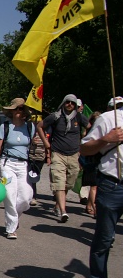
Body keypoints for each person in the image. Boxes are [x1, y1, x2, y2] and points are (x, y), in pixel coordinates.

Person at [79, 96, 123, 278]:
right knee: (104, 239)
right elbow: (85, 149)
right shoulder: (108, 118)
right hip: (113, 185)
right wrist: (106, 139)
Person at [37, 94, 90, 223]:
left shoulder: (79, 117)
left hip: (74, 154)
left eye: (72, 103)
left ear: (75, 105)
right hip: (58, 154)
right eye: (67, 102)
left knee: (70, 182)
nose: (70, 104)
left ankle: (57, 205)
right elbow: (39, 126)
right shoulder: (55, 116)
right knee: (59, 181)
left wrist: (86, 140)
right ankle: (63, 211)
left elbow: (90, 127)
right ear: (63, 103)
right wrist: (46, 143)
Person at [0, 98, 35, 239]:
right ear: (11, 111)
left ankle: (14, 218)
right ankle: (11, 228)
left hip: (23, 165)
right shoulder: (5, 127)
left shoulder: (30, 127)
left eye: (21, 108)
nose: (18, 111)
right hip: (7, 163)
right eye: (16, 108)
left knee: (26, 197)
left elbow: (32, 145)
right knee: (10, 195)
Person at [79, 111, 102, 217]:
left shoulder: (100, 132)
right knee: (94, 186)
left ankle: (88, 206)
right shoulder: (88, 134)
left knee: (95, 186)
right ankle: (95, 209)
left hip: (98, 162)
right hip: (91, 162)